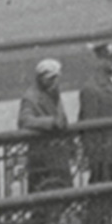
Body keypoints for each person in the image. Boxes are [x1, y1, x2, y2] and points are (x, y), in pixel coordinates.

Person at [19, 61, 75, 193]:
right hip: (41, 158)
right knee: (42, 195)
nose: (55, 81)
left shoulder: (54, 92)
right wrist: (50, 122)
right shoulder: (30, 97)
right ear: (40, 78)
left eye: (56, 78)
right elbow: (25, 120)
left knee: (64, 193)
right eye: (50, 78)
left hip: (59, 155)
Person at [77, 42, 112, 185]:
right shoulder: (91, 88)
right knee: (100, 186)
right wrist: (94, 155)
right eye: (108, 58)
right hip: (101, 151)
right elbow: (89, 125)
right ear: (99, 61)